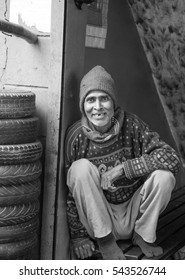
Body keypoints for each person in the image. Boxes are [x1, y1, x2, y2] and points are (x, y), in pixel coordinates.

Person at [65, 65, 180, 260]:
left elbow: (172, 159)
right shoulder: (76, 136)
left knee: (165, 176)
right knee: (79, 169)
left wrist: (124, 169)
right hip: (100, 218)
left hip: (135, 215)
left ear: (113, 102)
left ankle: (143, 236)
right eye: (91, 100)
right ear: (83, 105)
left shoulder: (132, 125)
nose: (98, 107)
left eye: (104, 98)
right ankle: (106, 241)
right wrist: (78, 237)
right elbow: (71, 194)